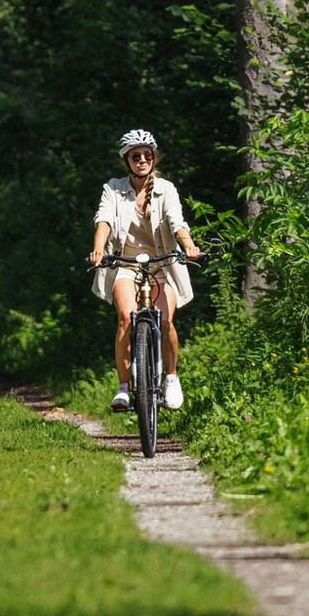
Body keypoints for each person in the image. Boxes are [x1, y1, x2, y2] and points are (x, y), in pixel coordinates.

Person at [87, 128, 203, 414]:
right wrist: (98, 249)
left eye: (147, 155)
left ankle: (171, 378)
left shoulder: (166, 189)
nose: (142, 160)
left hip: (162, 265)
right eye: (135, 156)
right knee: (126, 318)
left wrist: (188, 245)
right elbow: (104, 221)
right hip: (126, 265)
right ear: (126, 161)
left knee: (165, 320)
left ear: (154, 158)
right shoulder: (113, 189)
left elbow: (177, 222)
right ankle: (123, 388)